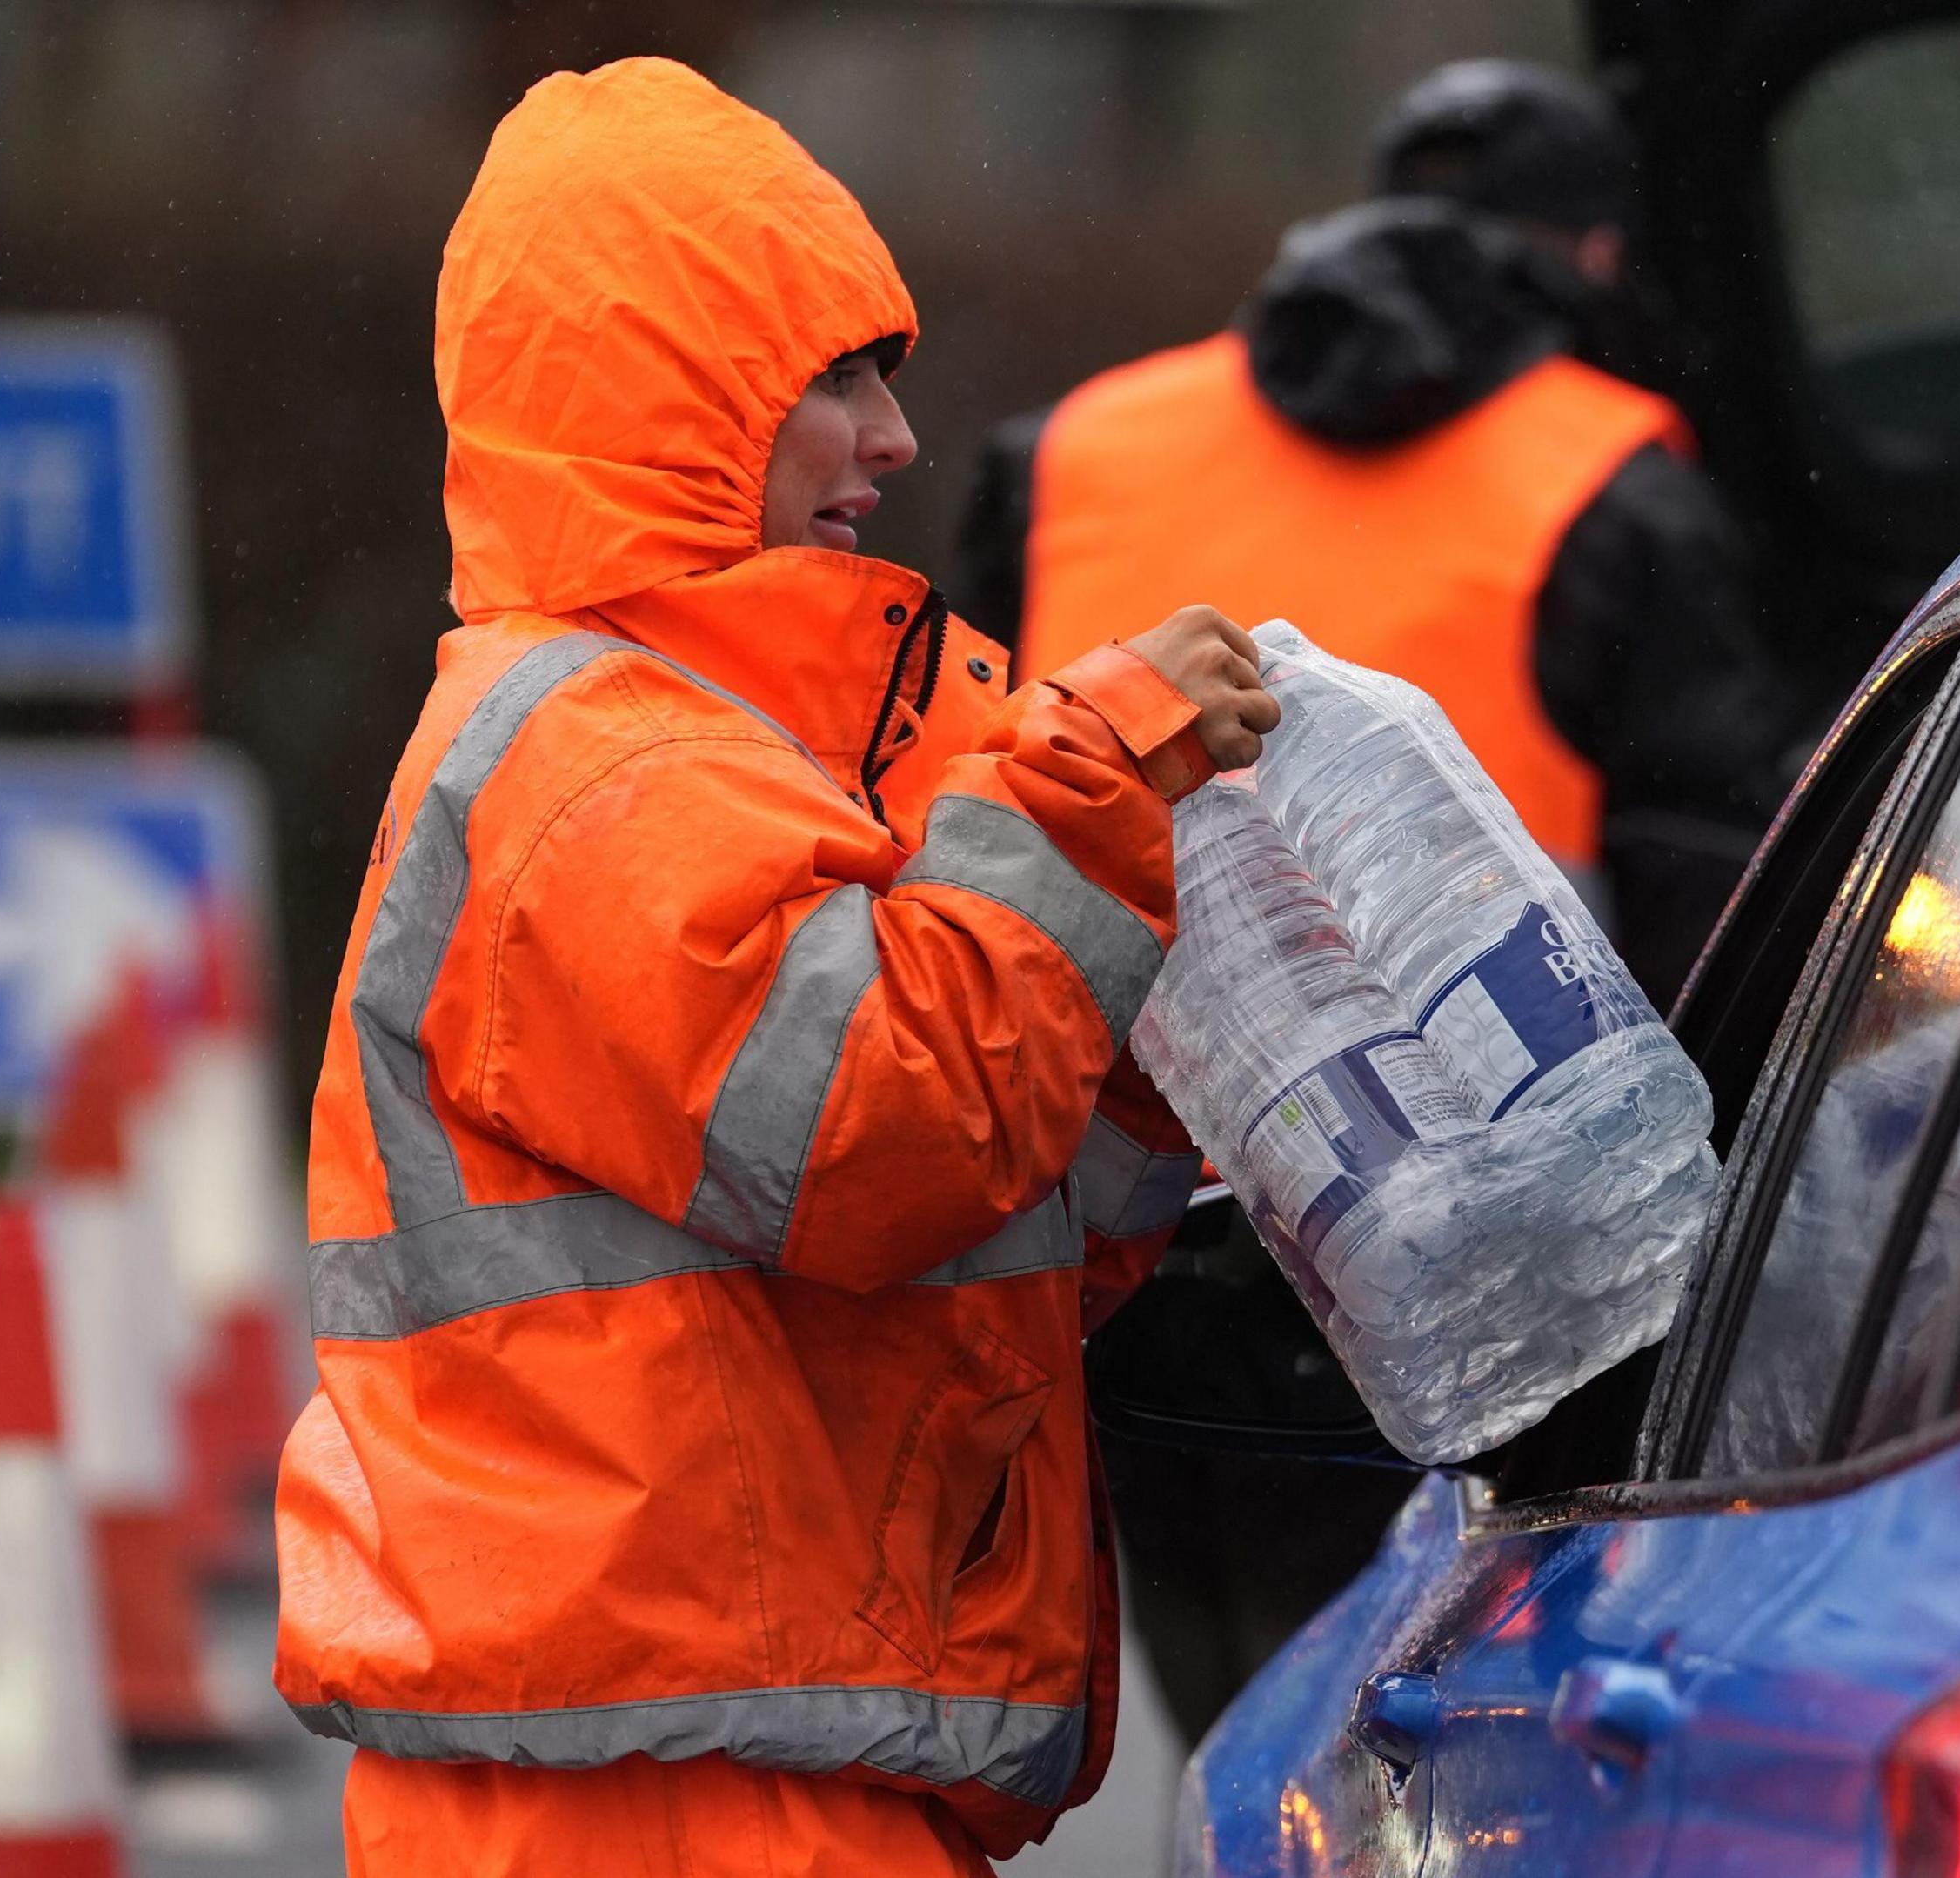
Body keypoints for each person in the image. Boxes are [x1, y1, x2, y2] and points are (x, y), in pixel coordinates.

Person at [271, 59, 1274, 1875]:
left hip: (686, 1766)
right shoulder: (605, 762)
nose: (892, 436)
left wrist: (1130, 1024)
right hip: (677, 1790)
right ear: (665, 399)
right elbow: (884, 1131)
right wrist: (1086, 792)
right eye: (834, 375)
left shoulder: (672, 746)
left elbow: (997, 1239)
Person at [959, 57, 1796, 1004]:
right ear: (1602, 254)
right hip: (1498, 1111)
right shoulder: (1616, 476)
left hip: (1083, 1097)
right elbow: (1709, 876)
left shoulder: (1065, 449)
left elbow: (947, 777)